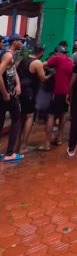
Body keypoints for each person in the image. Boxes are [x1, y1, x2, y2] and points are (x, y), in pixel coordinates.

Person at [39, 46, 73, 150]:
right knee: (62, 115)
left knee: (51, 116)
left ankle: (46, 144)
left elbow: (40, 65)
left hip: (57, 92)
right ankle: (59, 139)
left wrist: (47, 74)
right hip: (67, 93)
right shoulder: (70, 62)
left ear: (57, 53)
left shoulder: (57, 59)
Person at [17, 44, 48, 153]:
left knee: (21, 117)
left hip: (21, 89)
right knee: (29, 116)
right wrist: (51, 75)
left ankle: (17, 143)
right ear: (41, 52)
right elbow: (43, 78)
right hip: (30, 91)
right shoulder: (37, 63)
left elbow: (15, 70)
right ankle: (23, 145)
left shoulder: (23, 59)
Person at [0, 34, 24, 163]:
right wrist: (5, 94)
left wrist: (18, 84)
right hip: (8, 95)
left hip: (8, 94)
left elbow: (13, 70)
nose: (23, 44)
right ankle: (9, 153)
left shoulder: (10, 55)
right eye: (21, 41)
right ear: (15, 42)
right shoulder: (8, 55)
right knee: (16, 120)